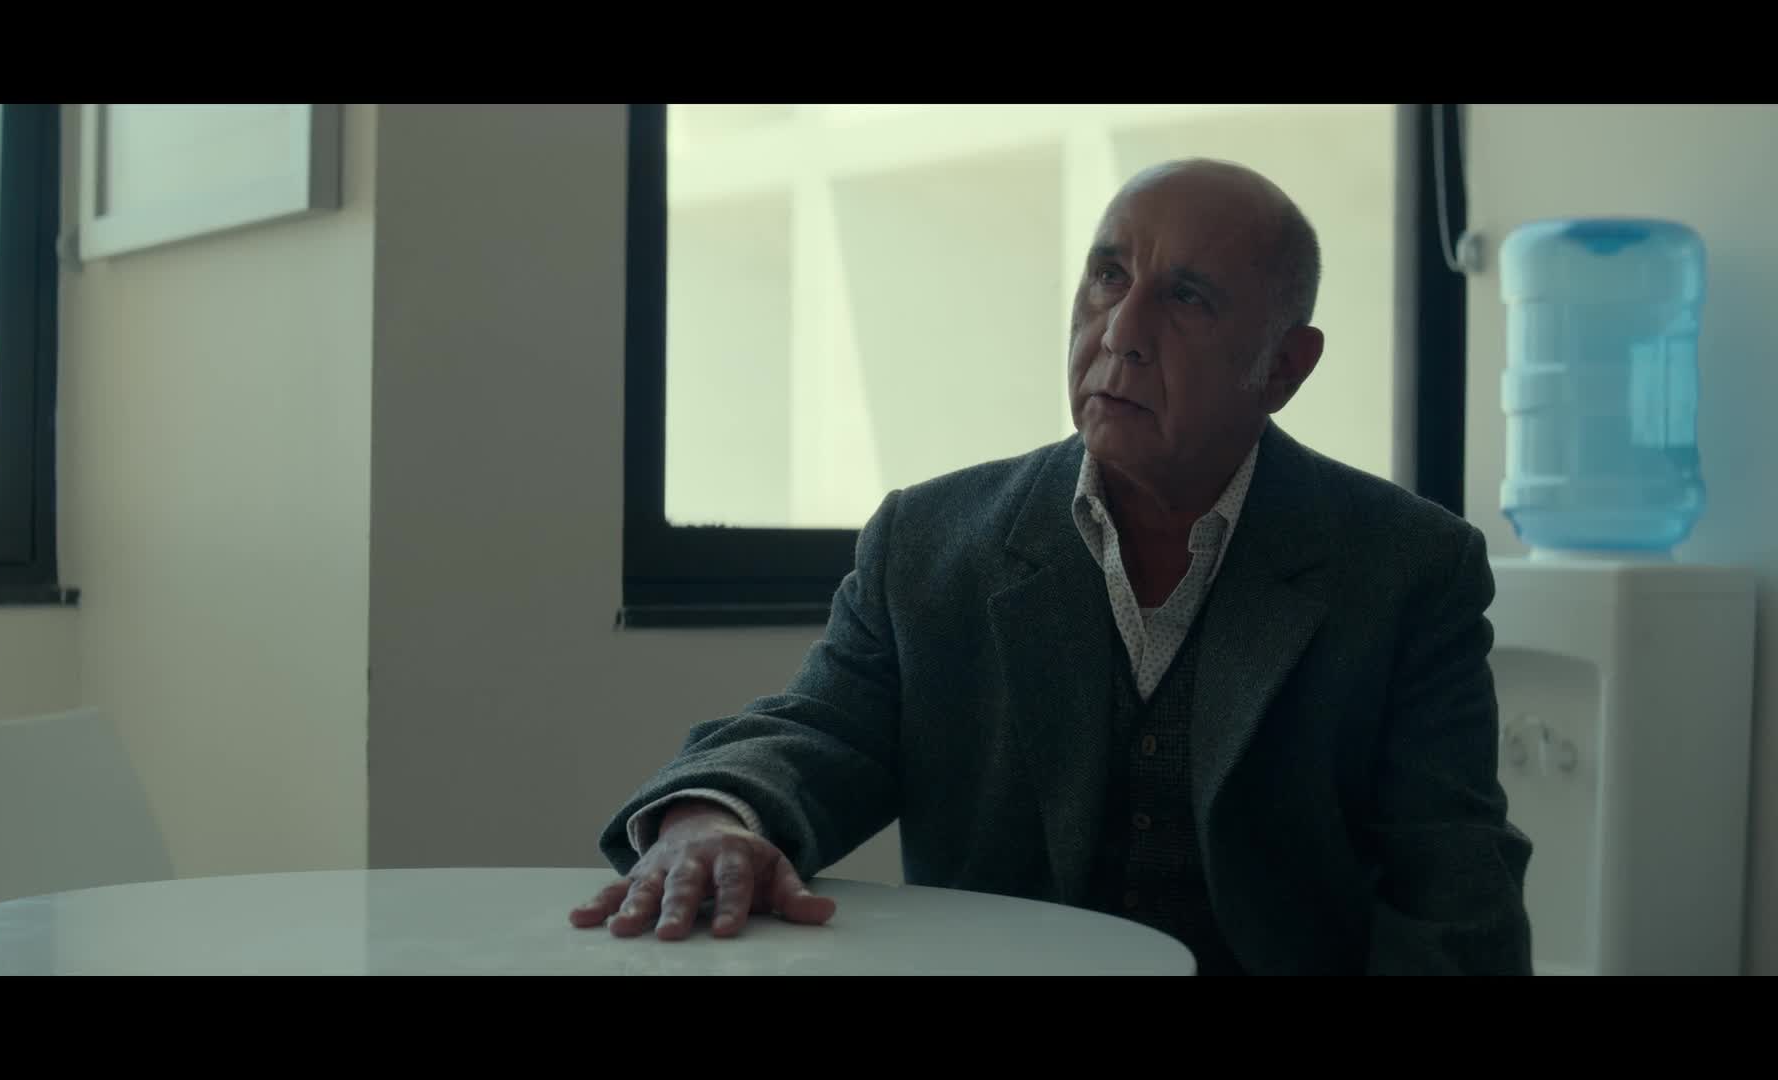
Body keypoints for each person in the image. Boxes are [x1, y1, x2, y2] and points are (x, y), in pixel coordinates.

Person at [570, 157, 1534, 975]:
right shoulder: (929, 539)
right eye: (1108, 277)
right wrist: (710, 820)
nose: (1121, 333)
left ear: (1284, 367)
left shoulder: (1408, 567)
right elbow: (818, 730)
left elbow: (1454, 890)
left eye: (1185, 298)